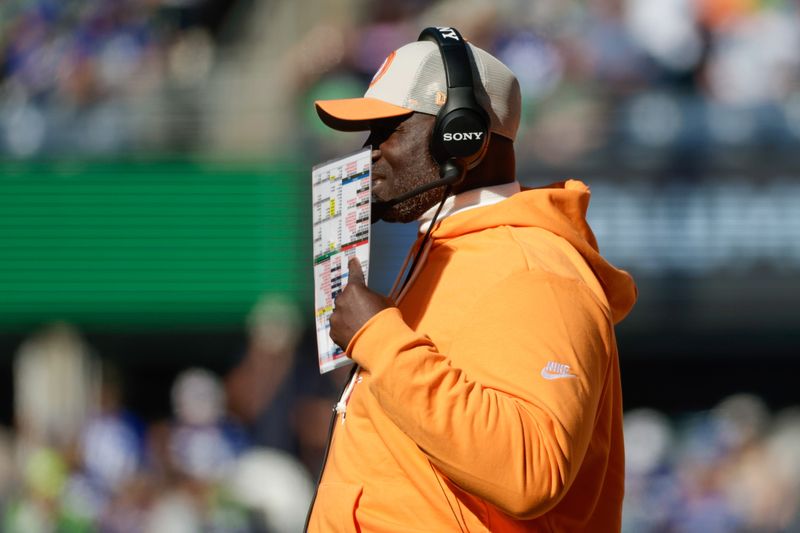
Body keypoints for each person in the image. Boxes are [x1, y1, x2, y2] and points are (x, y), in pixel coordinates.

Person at [306, 27, 637, 532]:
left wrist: (381, 340)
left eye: (388, 130)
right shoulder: (448, 249)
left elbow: (531, 471)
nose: (369, 152)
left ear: (461, 135)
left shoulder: (533, 271)